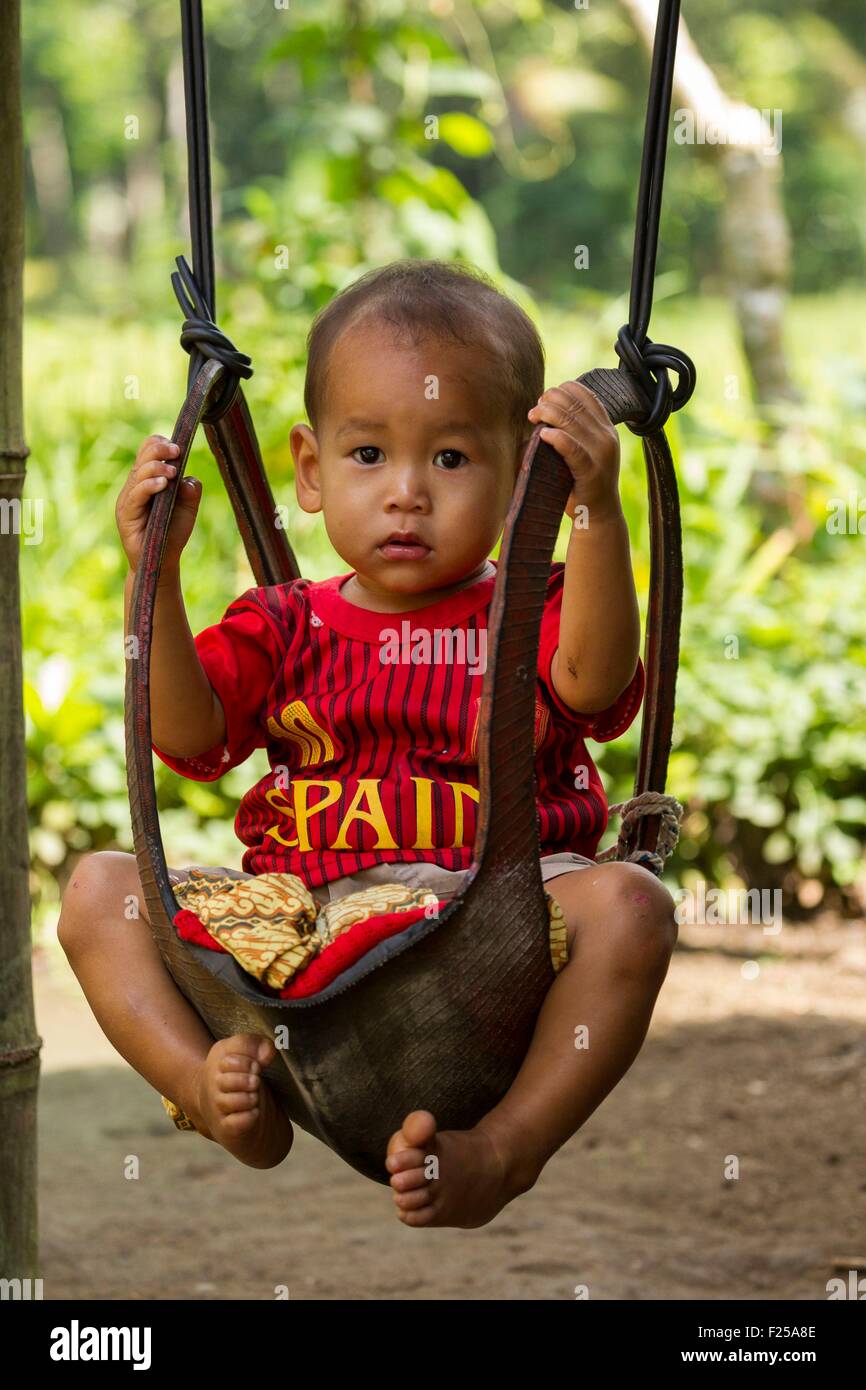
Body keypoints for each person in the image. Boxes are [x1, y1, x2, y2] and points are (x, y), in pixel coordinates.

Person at [58, 259, 677, 1229]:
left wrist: (590, 507)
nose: (404, 495)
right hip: (301, 913)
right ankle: (215, 1092)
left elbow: (594, 687)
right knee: (99, 889)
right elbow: (189, 733)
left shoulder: (533, 609)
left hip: (494, 913)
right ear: (308, 469)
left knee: (633, 906)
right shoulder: (283, 623)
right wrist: (157, 577)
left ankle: (505, 1149)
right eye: (366, 456)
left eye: (449, 458)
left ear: (522, 473)